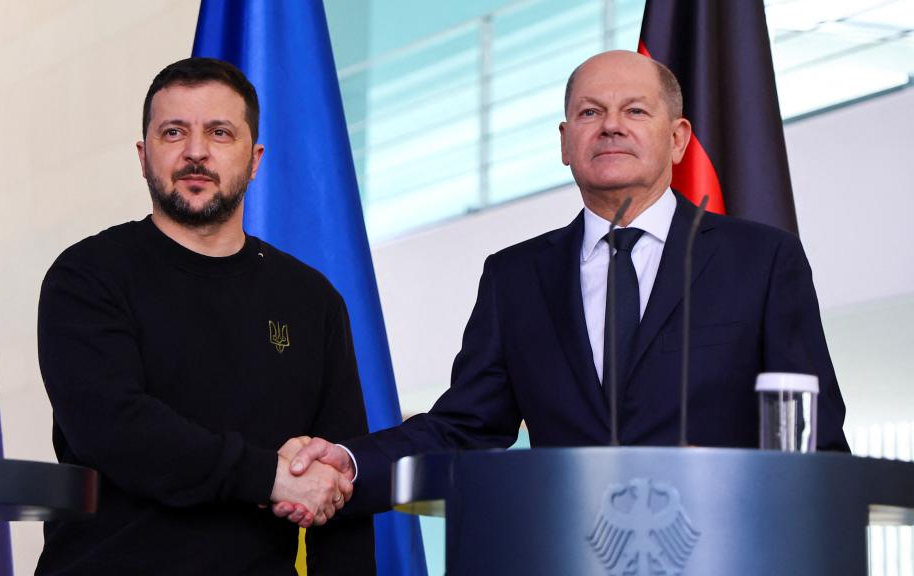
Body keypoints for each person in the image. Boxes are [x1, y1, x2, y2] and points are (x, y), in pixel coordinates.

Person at [276, 50, 849, 518]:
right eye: (590, 112)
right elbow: (465, 428)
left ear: (678, 139)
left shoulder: (762, 260)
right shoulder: (514, 277)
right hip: (567, 552)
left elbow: (811, 438)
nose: (611, 125)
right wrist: (350, 464)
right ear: (565, 142)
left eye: (635, 111)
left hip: (724, 551)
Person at [36, 57, 374, 575]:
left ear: (254, 159)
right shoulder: (86, 276)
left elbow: (337, 482)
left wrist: (303, 479)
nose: (196, 151)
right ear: (143, 156)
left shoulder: (313, 300)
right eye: (173, 132)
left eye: (220, 132)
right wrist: (269, 476)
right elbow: (117, 431)